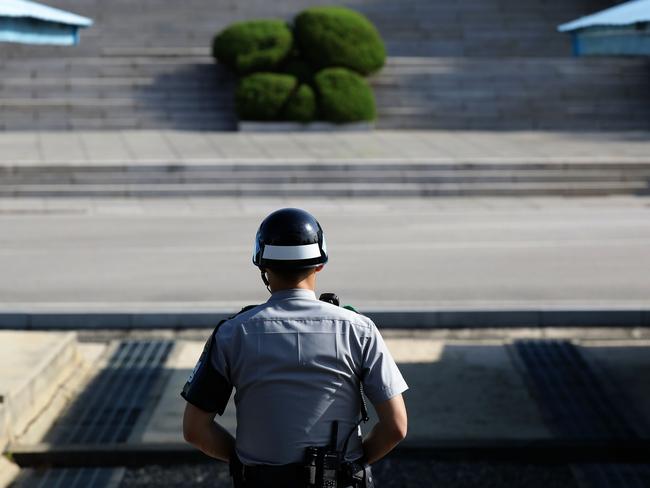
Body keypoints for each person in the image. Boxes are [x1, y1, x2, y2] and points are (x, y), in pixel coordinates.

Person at [181, 208, 408, 487]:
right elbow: (396, 426)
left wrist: (245, 462)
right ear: (320, 263)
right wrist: (351, 466)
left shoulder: (232, 333)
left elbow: (194, 430)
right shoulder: (358, 329)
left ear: (262, 266)